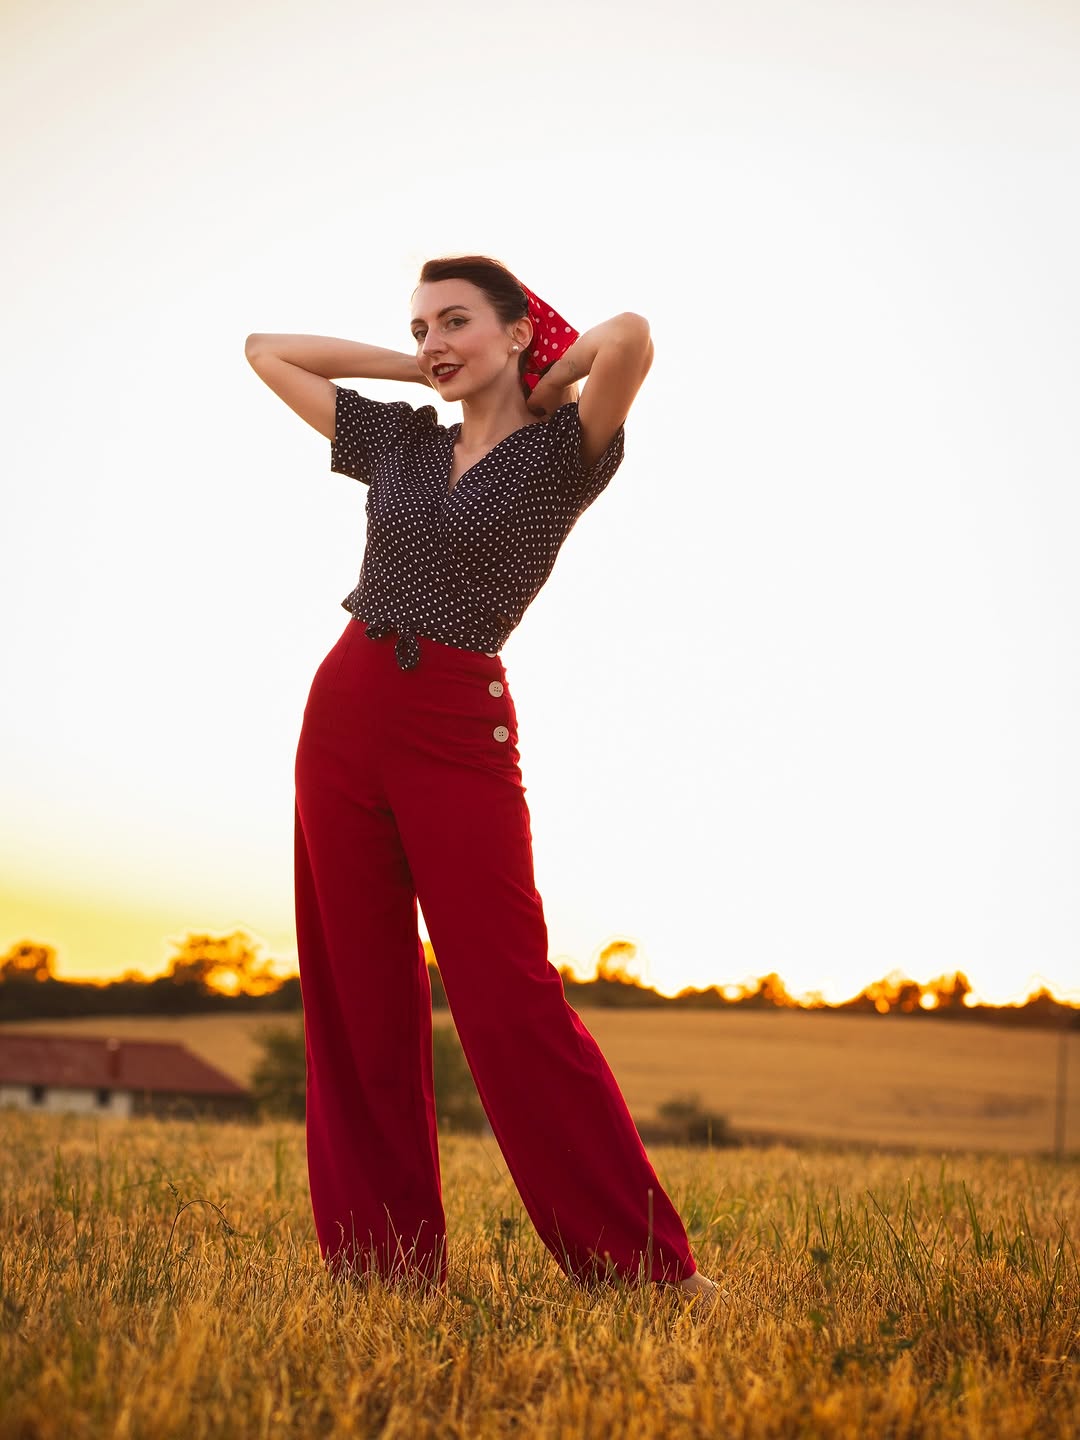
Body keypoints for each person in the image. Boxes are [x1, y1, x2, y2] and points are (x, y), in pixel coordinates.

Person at [244, 254, 719, 1309]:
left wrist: (545, 375)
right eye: (419, 329)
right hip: (346, 703)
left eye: (454, 323)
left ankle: (642, 1273)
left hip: (457, 720)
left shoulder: (569, 450)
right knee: (358, 995)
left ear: (518, 330)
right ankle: (384, 1270)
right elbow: (264, 352)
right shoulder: (402, 439)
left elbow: (630, 334)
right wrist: (420, 375)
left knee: (510, 999)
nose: (431, 343)